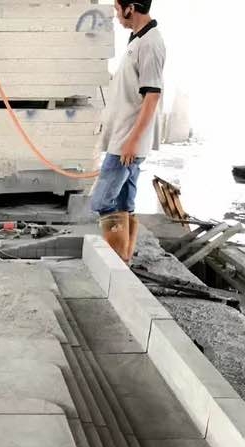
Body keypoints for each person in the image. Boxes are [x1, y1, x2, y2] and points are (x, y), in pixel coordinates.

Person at [91, 0, 166, 264]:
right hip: (125, 137)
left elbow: (152, 97)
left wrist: (132, 142)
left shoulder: (150, 44)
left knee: (102, 201)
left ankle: (115, 262)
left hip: (127, 141)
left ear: (130, 8)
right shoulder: (138, 39)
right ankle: (123, 261)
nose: (116, 14)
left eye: (117, 8)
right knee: (124, 201)